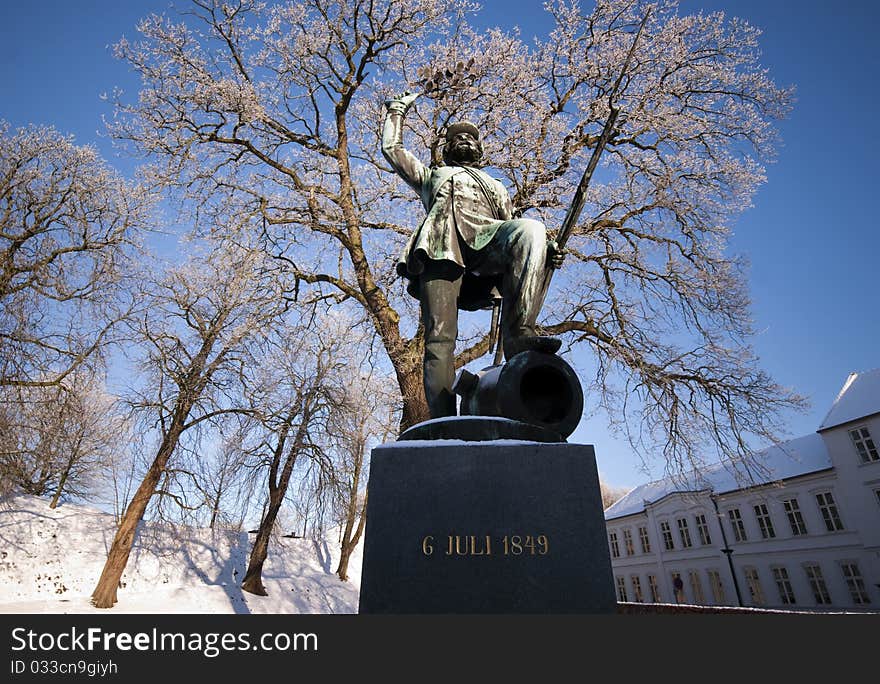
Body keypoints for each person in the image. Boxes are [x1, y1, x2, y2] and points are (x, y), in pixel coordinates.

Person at [381, 91, 564, 418]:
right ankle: (441, 420)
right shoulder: (434, 176)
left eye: (470, 138)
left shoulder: (497, 186)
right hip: (442, 248)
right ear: (448, 150)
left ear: (479, 149)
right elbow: (392, 150)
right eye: (457, 138)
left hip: (487, 241)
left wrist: (543, 251)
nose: (464, 140)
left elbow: (512, 230)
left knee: (532, 230)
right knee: (439, 338)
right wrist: (396, 111)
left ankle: (519, 333)